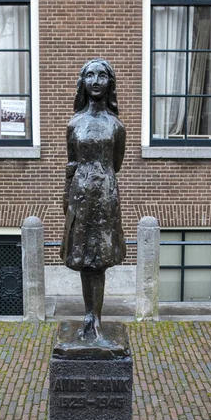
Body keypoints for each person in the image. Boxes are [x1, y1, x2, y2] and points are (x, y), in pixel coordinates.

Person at [60, 58, 126, 340]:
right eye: (90, 75)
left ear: (109, 83)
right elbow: (72, 163)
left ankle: (96, 319)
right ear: (82, 83)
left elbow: (117, 164)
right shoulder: (74, 124)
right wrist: (68, 194)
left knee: (100, 259)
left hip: (105, 195)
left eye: (102, 76)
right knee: (84, 258)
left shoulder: (116, 126)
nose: (96, 81)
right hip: (80, 194)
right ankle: (88, 316)